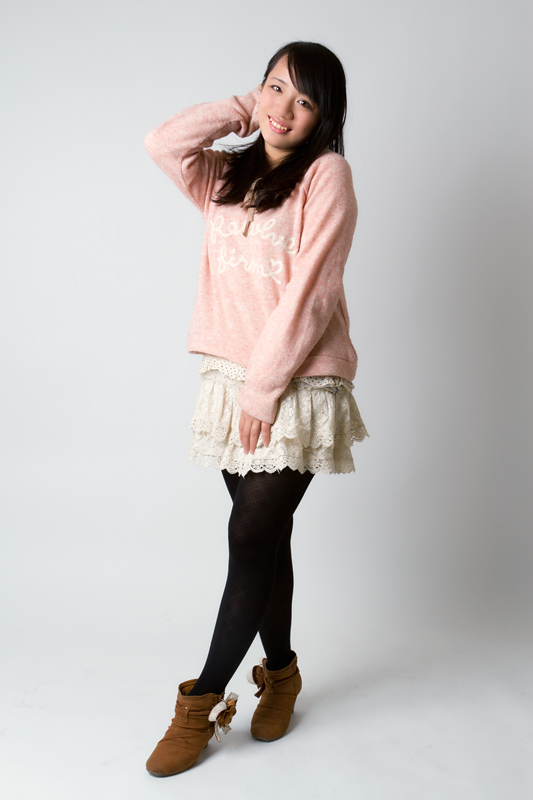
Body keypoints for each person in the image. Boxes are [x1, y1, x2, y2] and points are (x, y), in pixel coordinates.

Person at [143, 40, 369, 777]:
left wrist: (265, 388)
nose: (283, 109)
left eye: (304, 100)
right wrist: (245, 108)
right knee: (265, 541)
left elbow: (313, 292)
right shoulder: (227, 174)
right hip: (228, 376)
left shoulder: (327, 175)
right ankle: (281, 673)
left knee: (250, 535)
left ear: (324, 116)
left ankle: (200, 703)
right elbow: (163, 142)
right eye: (274, 88)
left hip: (295, 382)